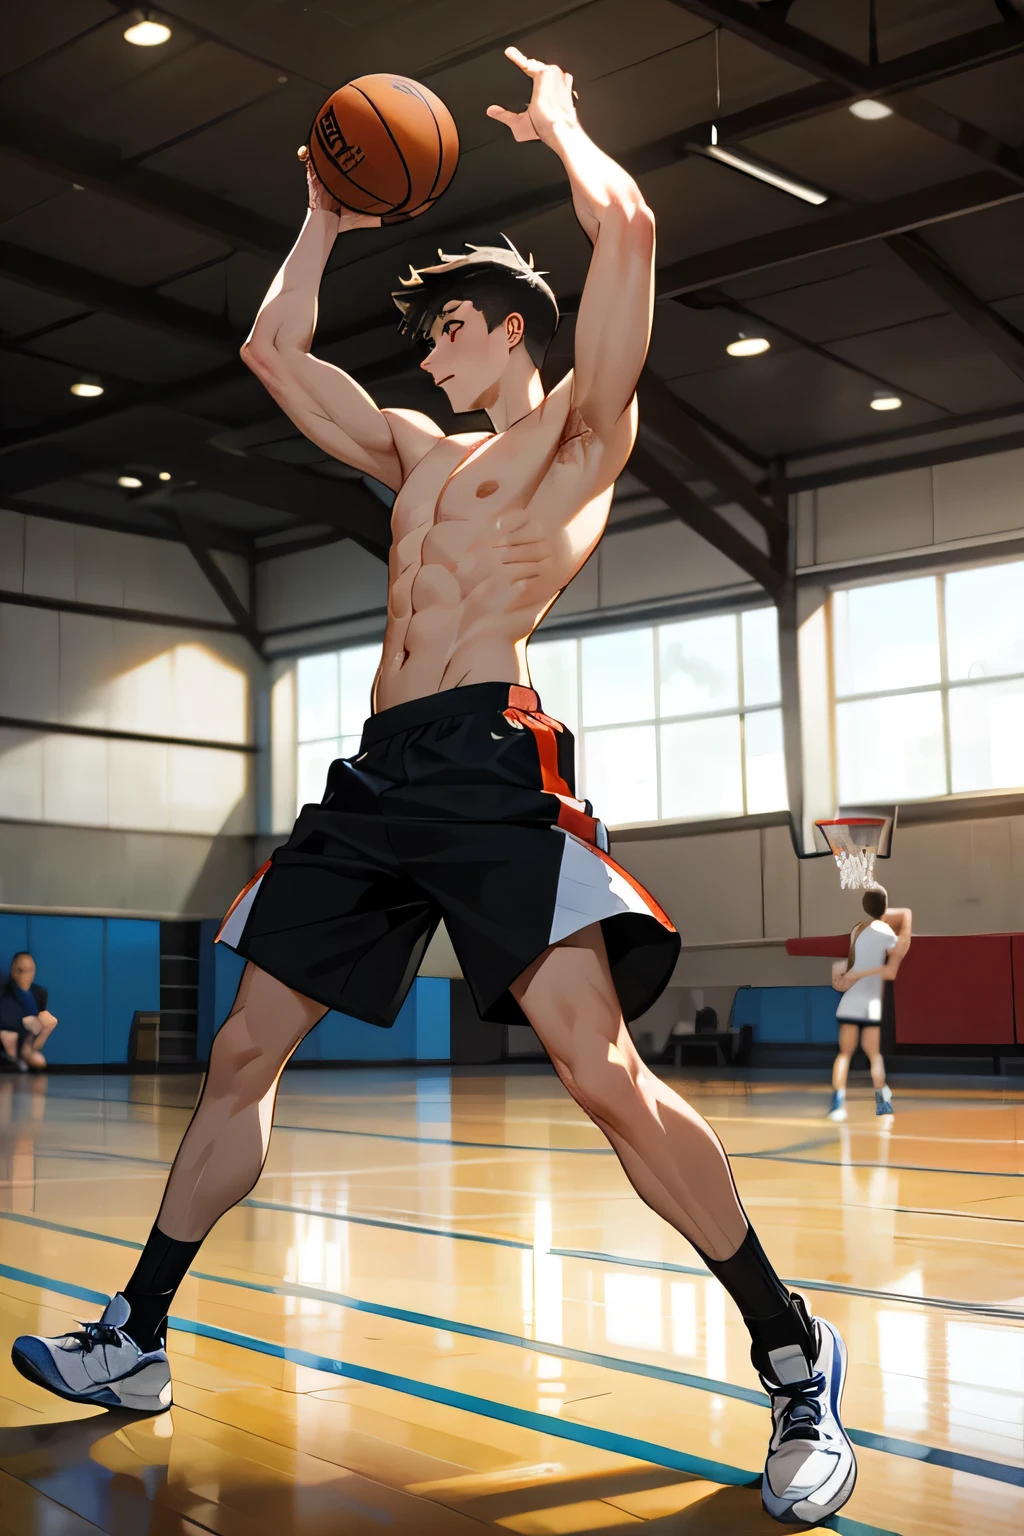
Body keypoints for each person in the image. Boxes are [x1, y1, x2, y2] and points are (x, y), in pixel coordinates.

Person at [12, 49, 856, 1524]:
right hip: (372, 778)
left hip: (485, 763)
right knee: (237, 1060)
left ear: (514, 329)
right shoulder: (416, 457)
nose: (428, 354)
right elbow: (274, 354)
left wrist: (567, 122)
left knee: (601, 1075)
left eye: (450, 328)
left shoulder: (577, 436)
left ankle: (792, 1355)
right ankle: (138, 1337)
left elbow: (637, 240)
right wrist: (327, 220)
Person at [829, 886, 910, 1121]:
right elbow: (900, 950)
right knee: (874, 1054)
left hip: (850, 999)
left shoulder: (857, 929)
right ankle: (882, 1103)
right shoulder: (885, 931)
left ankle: (837, 1104)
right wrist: (905, 919)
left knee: (844, 1054)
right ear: (885, 906)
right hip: (871, 1003)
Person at [0, 952, 58, 1072]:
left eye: (29, 970)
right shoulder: (5, 990)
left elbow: (39, 1022)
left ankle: (24, 1055)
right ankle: (11, 1059)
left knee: (49, 1021)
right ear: (13, 970)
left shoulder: (39, 993)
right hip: (8, 1036)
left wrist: (30, 1044)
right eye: (20, 970)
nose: (24, 975)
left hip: (26, 1038)